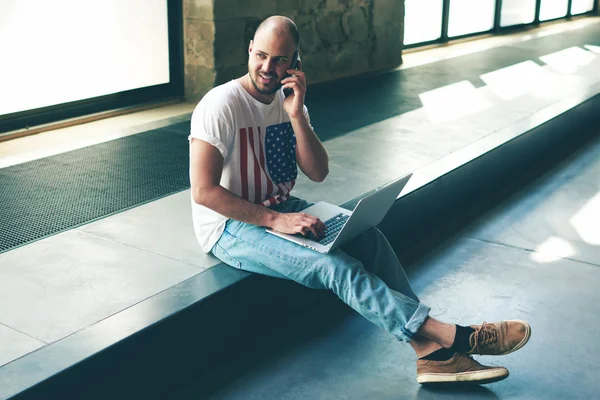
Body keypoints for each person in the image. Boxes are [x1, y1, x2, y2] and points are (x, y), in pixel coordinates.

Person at [188, 15, 531, 385]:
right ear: (250, 50)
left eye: (281, 60)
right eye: (261, 56)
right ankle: (453, 336)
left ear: (295, 63)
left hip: (277, 206)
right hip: (230, 227)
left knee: (369, 239)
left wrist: (297, 116)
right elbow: (204, 192)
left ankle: (431, 356)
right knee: (334, 266)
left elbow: (318, 171)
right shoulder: (220, 104)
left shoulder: (289, 102)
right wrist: (275, 221)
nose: (268, 68)